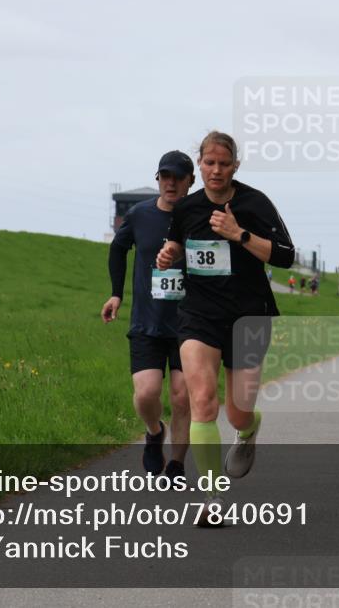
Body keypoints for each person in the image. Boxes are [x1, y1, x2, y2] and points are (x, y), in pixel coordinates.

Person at [156, 131, 294, 526]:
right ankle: (212, 498)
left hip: (249, 315)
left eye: (224, 163)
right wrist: (170, 253)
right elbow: (177, 244)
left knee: (237, 412)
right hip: (199, 316)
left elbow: (286, 256)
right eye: (209, 163)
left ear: (235, 166)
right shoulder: (186, 208)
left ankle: (248, 430)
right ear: (199, 165)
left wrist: (240, 235)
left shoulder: (255, 203)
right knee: (202, 400)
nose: (216, 170)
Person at [102, 152, 194, 479]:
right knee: (146, 393)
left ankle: (177, 465)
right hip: (147, 321)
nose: (170, 182)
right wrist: (116, 293)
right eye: (164, 176)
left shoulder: (200, 217)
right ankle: (155, 431)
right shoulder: (140, 215)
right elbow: (117, 249)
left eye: (177, 177)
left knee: (182, 397)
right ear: (158, 179)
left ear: (190, 182)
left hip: (190, 325)